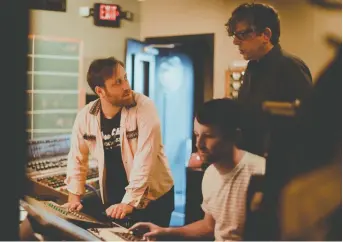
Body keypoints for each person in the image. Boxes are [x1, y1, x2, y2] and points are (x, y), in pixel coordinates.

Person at [129, 99, 265, 241]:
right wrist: (163, 231)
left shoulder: (260, 171)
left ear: (234, 136)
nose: (199, 144)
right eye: (197, 135)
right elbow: (208, 227)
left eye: (209, 136)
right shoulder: (210, 174)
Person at [64, 57, 174, 227]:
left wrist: (129, 203)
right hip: (115, 196)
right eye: (117, 83)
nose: (126, 86)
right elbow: (77, 159)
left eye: (125, 78)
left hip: (153, 197)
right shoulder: (86, 116)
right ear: (100, 91)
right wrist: (74, 198)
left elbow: (145, 160)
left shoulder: (144, 107)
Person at [226, 3, 313, 156]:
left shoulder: (291, 67)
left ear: (265, 35)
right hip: (252, 161)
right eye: (235, 35)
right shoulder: (252, 67)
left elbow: (307, 123)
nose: (236, 42)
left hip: (280, 165)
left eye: (243, 34)